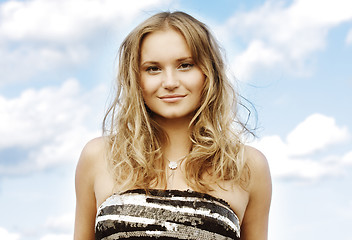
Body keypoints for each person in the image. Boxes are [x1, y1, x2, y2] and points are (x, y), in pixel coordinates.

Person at [74, 11, 271, 240]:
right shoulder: (98, 156)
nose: (170, 82)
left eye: (185, 65)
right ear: (135, 78)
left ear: (209, 73)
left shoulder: (247, 165)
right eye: (153, 68)